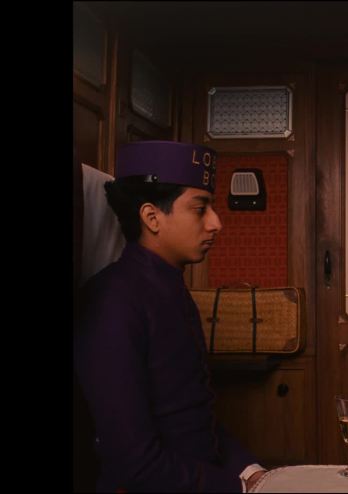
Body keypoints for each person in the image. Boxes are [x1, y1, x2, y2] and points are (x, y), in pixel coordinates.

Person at [74, 141, 268, 492]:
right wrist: (236, 488)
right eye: (200, 208)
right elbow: (134, 463)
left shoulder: (169, 288)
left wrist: (252, 473)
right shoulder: (113, 302)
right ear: (152, 217)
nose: (216, 223)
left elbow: (195, 414)